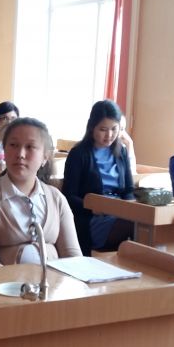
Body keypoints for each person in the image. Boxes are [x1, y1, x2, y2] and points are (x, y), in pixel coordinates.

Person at [0, 117, 82, 267]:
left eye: (30, 147)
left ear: (45, 157)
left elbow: (74, 258)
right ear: (4, 150)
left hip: (54, 281)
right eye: (13, 145)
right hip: (4, 281)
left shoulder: (57, 198)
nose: (20, 154)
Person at [62, 99, 134, 257]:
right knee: (135, 225)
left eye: (114, 129)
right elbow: (68, 196)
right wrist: (93, 207)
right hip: (93, 217)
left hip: (119, 212)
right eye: (103, 129)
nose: (109, 135)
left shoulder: (121, 151)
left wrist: (130, 208)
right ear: (92, 127)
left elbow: (129, 190)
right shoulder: (79, 154)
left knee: (143, 222)